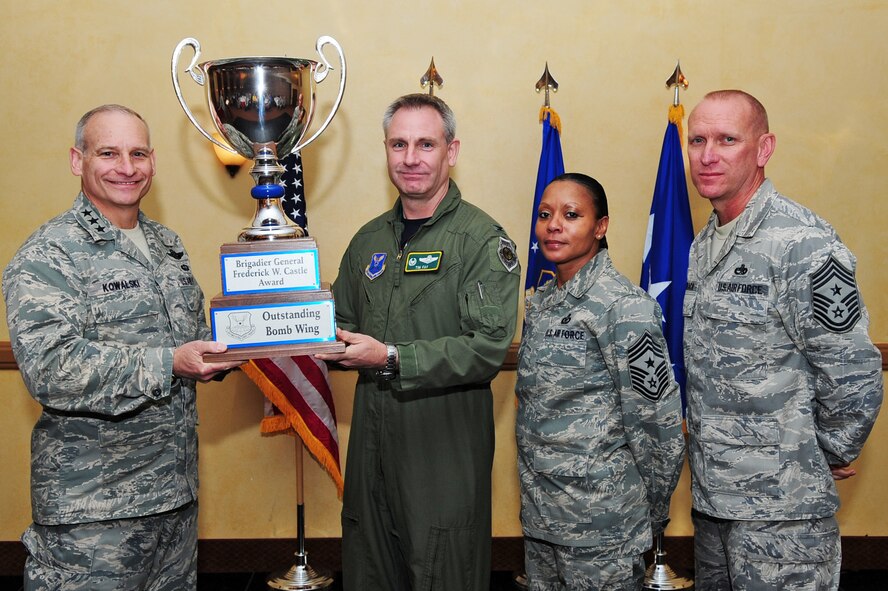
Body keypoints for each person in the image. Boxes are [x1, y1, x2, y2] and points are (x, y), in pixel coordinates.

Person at [3, 104, 243, 591]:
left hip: (173, 500)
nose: (126, 168)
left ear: (153, 161)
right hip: (94, 513)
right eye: (108, 153)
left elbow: (191, 341)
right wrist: (169, 362)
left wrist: (245, 344)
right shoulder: (50, 253)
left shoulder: (164, 245)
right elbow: (51, 368)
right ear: (78, 160)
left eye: (137, 153)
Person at [315, 93, 521, 591]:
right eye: (399, 144)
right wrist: (264, 318)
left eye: (425, 144)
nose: (411, 158)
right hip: (371, 448)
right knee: (369, 569)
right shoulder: (368, 241)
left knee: (442, 567)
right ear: (385, 150)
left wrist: (389, 357)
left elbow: (487, 347)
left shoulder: (480, 241)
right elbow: (335, 321)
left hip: (442, 448)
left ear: (451, 152)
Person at [683, 90, 883, 590]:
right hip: (714, 501)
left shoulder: (802, 242)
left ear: (764, 148)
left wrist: (825, 453)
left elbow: (853, 370)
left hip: (782, 511)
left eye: (727, 139)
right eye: (698, 140)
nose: (708, 155)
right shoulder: (705, 242)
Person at [516, 173, 685, 590]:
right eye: (545, 214)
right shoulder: (543, 306)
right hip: (542, 517)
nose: (554, 225)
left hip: (600, 524)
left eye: (571, 215)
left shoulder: (624, 307)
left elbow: (657, 423)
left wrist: (650, 508)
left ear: (601, 226)